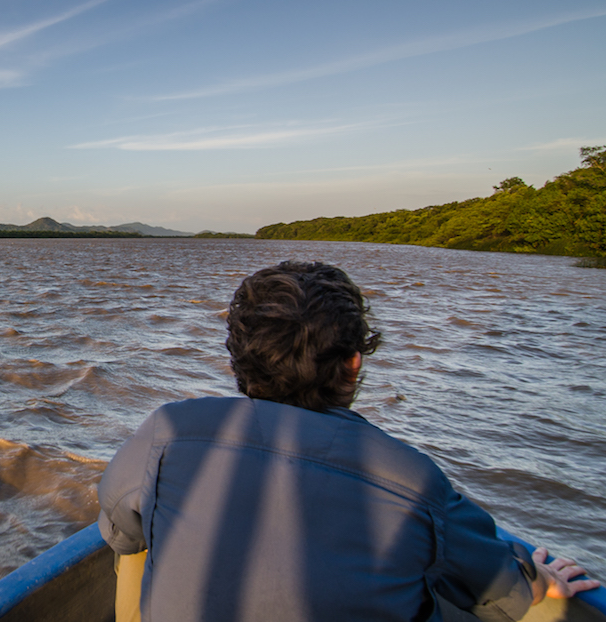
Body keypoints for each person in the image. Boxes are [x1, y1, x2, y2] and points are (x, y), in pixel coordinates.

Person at [97, 261, 598, 622]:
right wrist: (539, 583)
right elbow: (501, 588)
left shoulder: (169, 430)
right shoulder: (414, 480)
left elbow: (122, 531)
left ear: (236, 355)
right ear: (354, 362)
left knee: (135, 541)